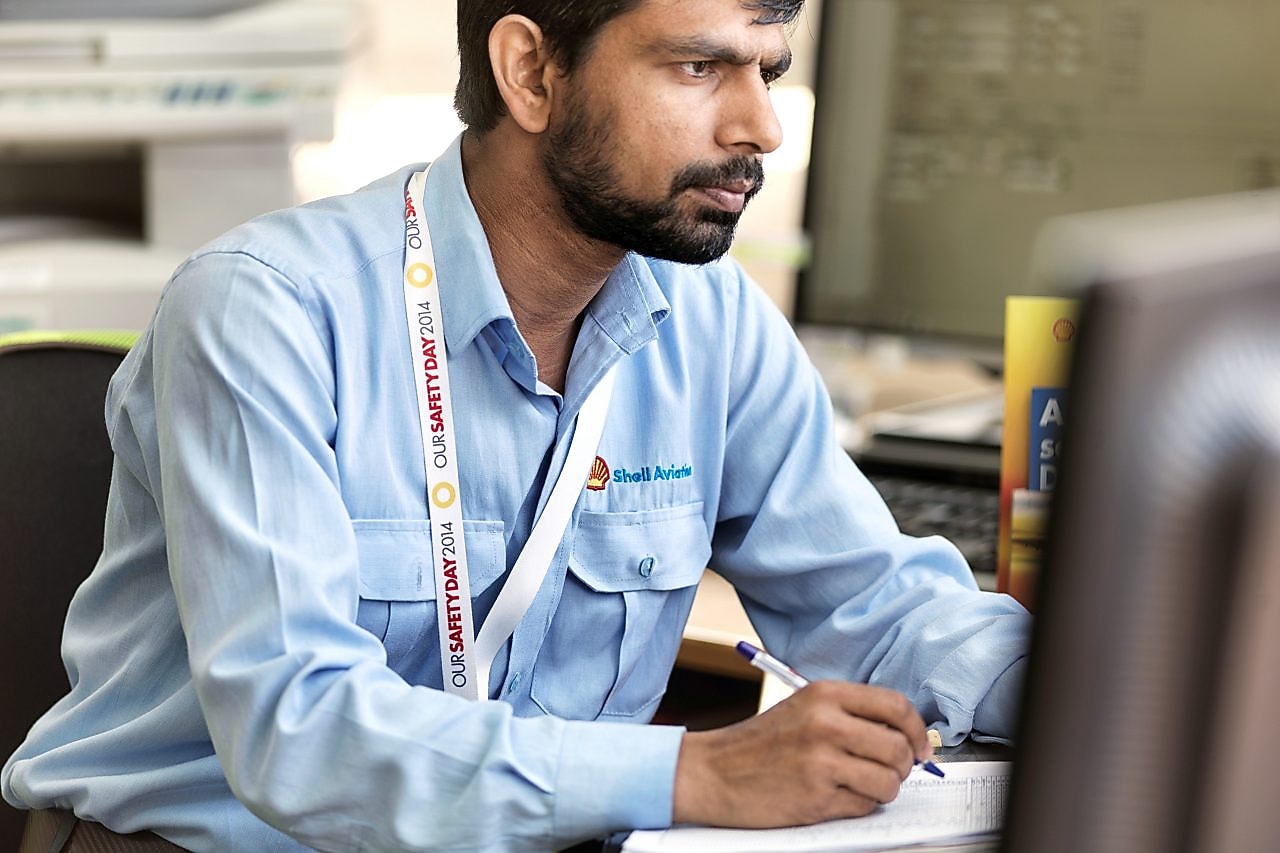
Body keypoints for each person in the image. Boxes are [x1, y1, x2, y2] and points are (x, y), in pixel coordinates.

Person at [3, 0, 1031, 850]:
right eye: (696, 68)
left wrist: (1117, 697)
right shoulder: (264, 311)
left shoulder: (707, 321)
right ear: (530, 72)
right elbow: (298, 730)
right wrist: (692, 771)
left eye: (767, 70)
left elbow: (881, 606)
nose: (758, 126)